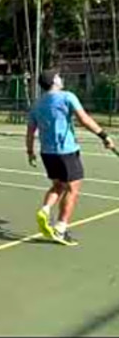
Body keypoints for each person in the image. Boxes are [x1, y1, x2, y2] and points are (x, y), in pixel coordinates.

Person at [26, 70, 114, 246]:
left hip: (47, 153)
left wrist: (30, 152)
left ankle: (45, 209)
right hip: (66, 151)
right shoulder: (67, 96)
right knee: (72, 189)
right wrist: (104, 136)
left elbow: (30, 132)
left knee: (58, 186)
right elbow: (84, 119)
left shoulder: (37, 105)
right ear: (53, 81)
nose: (61, 78)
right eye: (59, 76)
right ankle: (60, 228)